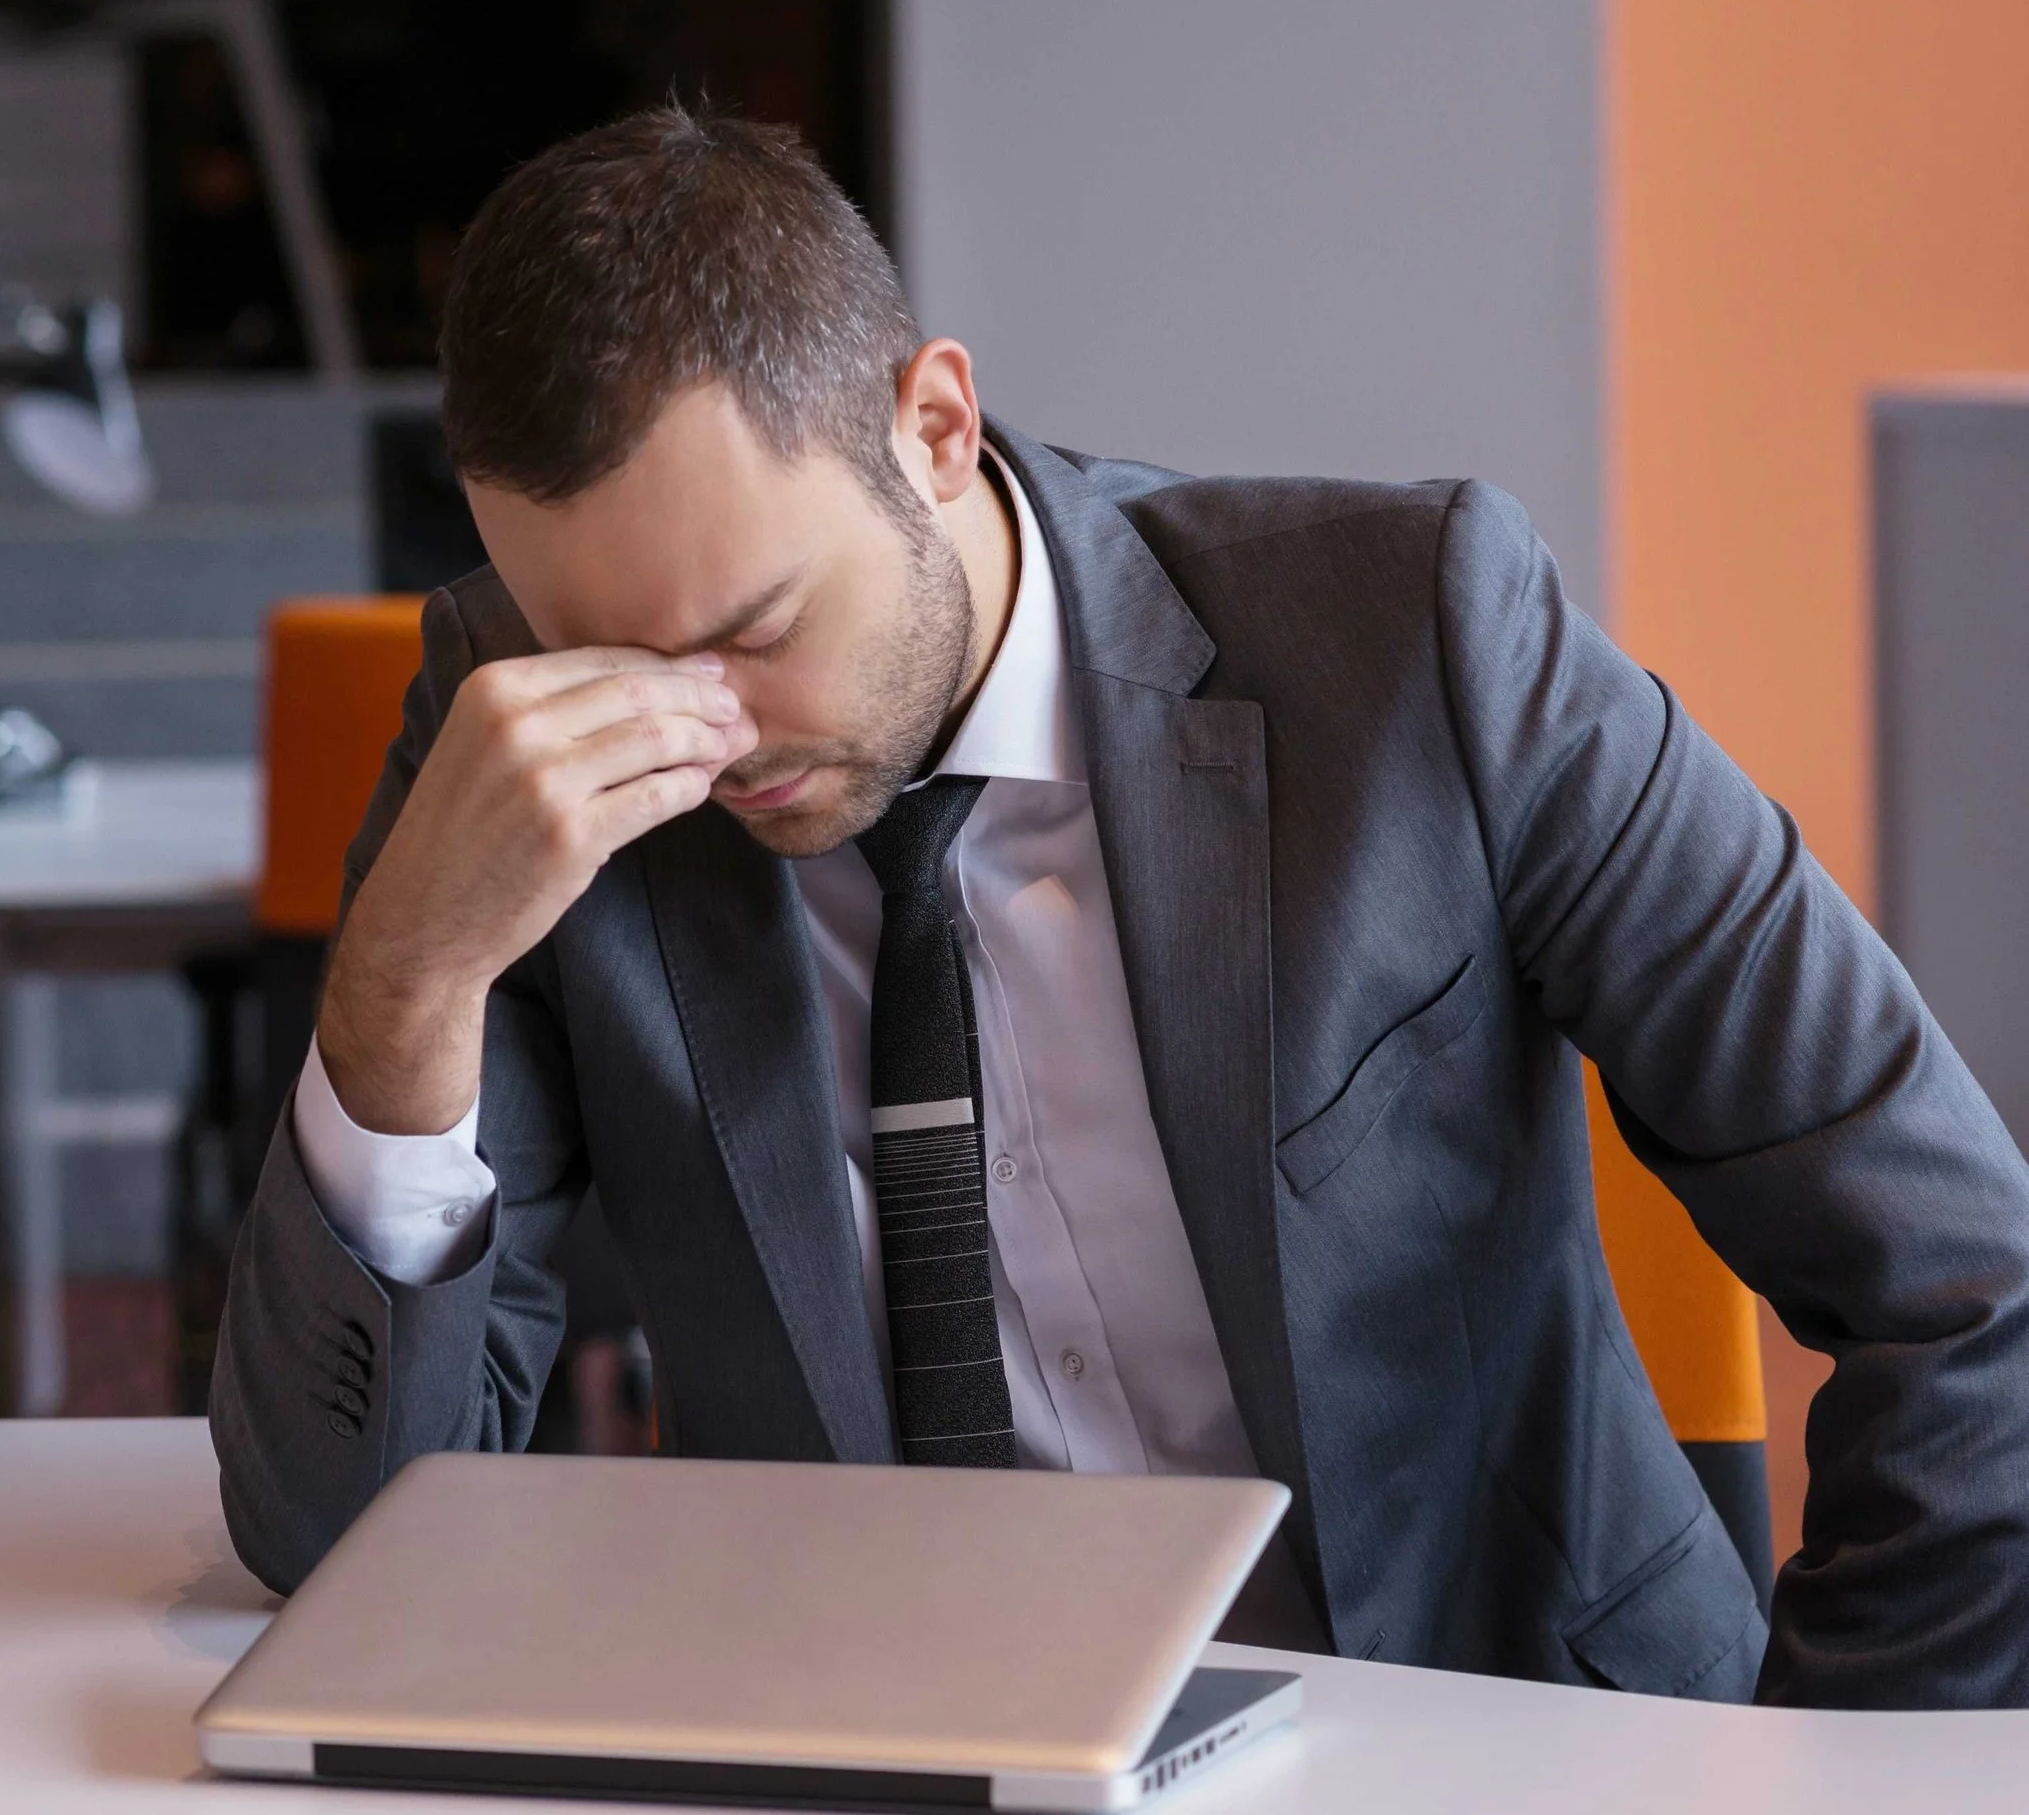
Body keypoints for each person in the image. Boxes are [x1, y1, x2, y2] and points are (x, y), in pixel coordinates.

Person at [209, 108, 2029, 1709]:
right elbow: (341, 1544)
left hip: (1487, 1733)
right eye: (604, 657)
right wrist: (405, 979)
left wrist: (1833, 1769)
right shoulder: (524, 742)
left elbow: (1971, 1287)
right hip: (878, 1759)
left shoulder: (1422, 642)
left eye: (754, 630)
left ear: (933, 425)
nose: (701, 733)